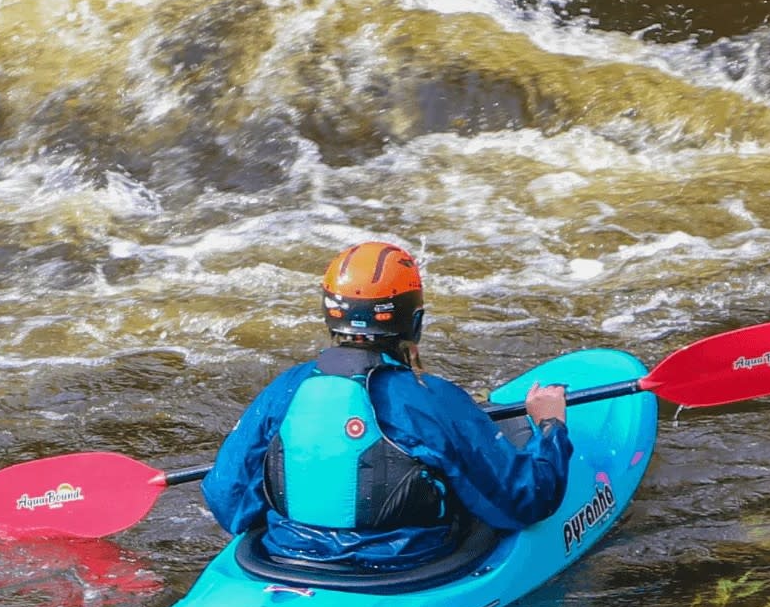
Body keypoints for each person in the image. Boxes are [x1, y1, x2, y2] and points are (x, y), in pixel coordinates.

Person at [201, 241, 572, 571]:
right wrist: (551, 429)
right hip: (406, 566)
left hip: (287, 555)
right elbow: (524, 501)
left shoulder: (285, 389)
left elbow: (228, 502)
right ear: (415, 321)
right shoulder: (433, 398)